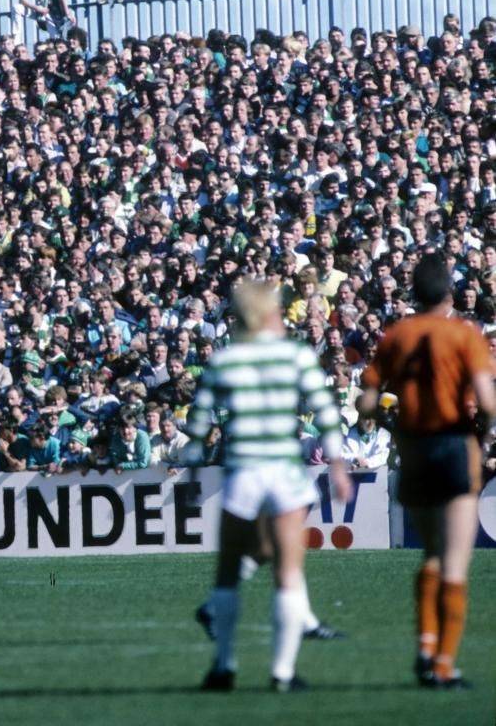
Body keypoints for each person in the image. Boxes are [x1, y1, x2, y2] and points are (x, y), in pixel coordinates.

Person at [187, 279, 351, 693]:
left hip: (243, 471)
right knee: (288, 572)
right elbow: (325, 410)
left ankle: (223, 667)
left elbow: (200, 421)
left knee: (226, 573)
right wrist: (337, 464)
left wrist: (191, 469)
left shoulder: (226, 358)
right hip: (284, 472)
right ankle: (282, 673)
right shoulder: (294, 354)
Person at [360, 252, 495, 688]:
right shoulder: (463, 334)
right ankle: (442, 663)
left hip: (414, 448)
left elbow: (365, 400)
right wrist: (485, 433)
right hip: (454, 444)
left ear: (413, 293)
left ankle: (424, 643)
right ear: (450, 293)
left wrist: (389, 418)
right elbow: (487, 402)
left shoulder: (397, 335)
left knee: (431, 553)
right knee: (456, 560)